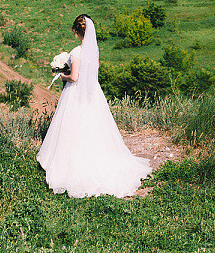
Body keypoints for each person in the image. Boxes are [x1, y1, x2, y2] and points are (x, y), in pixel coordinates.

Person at [37, 14, 151, 197]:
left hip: (75, 93)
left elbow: (75, 77)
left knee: (73, 126)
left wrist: (63, 75)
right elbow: (93, 70)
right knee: (94, 125)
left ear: (76, 31)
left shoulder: (76, 52)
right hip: (93, 92)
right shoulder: (94, 49)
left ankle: (72, 161)